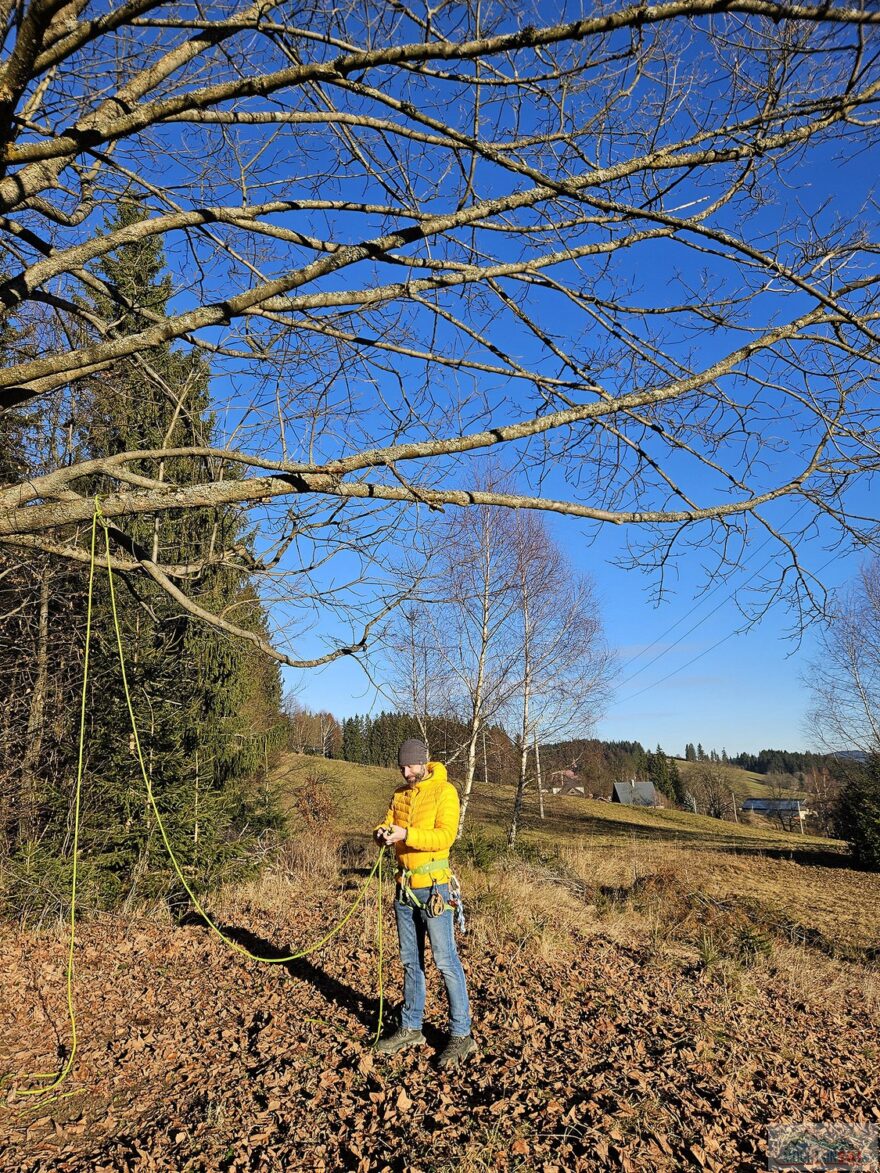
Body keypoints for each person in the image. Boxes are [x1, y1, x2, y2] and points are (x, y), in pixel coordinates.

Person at [372, 738, 475, 1068]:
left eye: (410, 766)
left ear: (423, 763)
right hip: (404, 890)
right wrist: (382, 834)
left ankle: (462, 1035)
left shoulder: (445, 792)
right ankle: (411, 1027)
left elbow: (446, 836)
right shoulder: (400, 794)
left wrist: (407, 835)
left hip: (434, 890)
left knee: (445, 960)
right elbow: (388, 821)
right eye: (401, 767)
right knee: (409, 961)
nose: (405, 772)